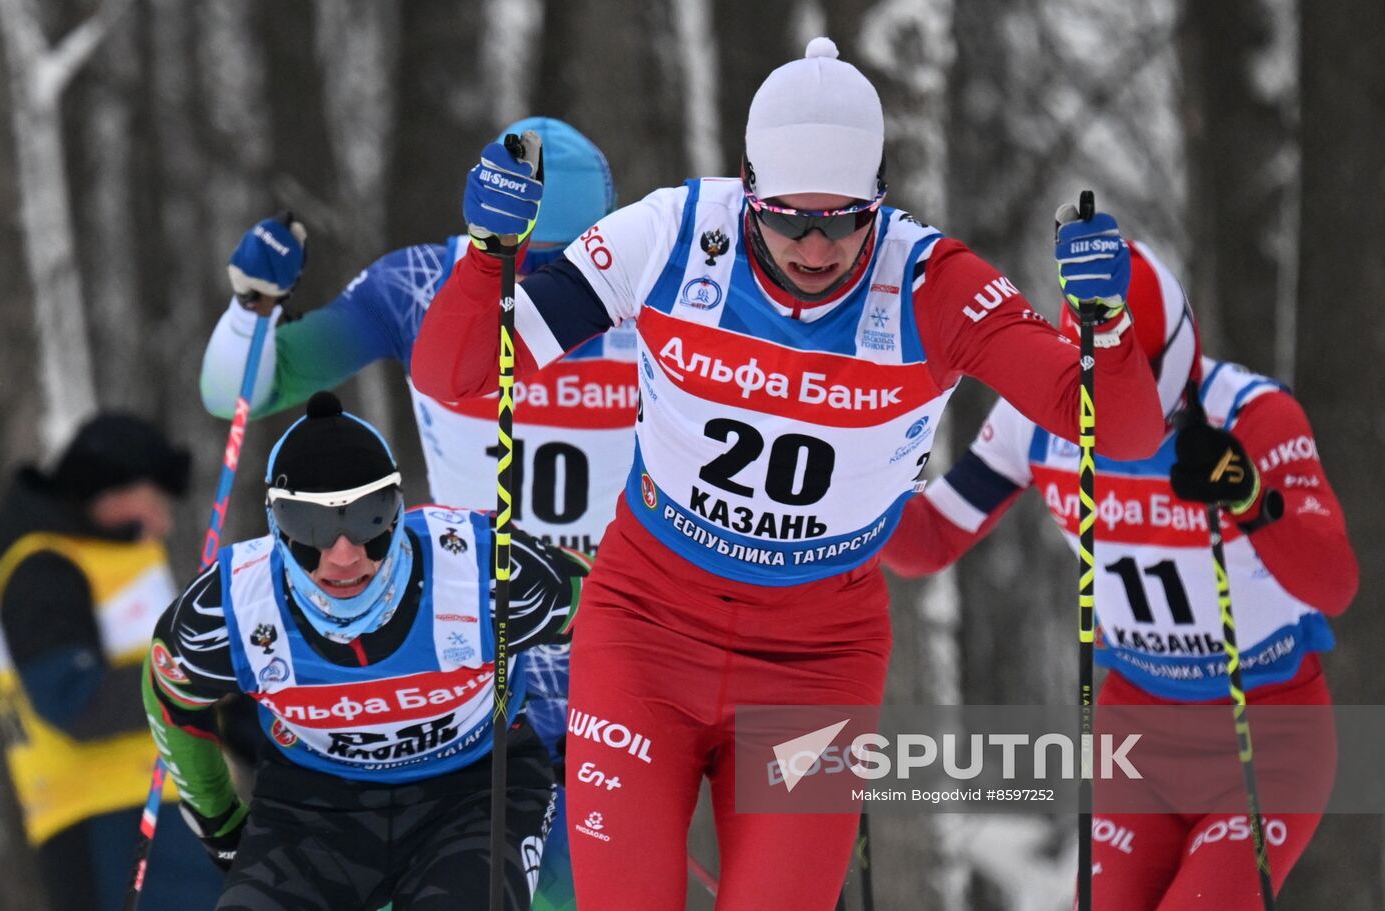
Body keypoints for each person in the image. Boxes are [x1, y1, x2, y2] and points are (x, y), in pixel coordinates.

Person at [410, 37, 1165, 910]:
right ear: (747, 188)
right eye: (788, 218)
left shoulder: (932, 284)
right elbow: (456, 373)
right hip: (646, 629)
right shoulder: (671, 236)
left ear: (880, 199)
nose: (815, 247)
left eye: (844, 219)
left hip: (817, 660)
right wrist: (486, 256)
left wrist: (1103, 325)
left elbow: (1123, 431)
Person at [199, 116, 623, 910]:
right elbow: (240, 394)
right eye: (528, 260)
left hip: (612, 637)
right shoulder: (426, 284)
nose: (548, 287)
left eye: (572, 262)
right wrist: (251, 308)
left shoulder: (640, 286)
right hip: (473, 651)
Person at [882, 230, 1358, 908]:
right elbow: (926, 541)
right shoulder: (1039, 419)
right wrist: (854, 488)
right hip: (1137, 734)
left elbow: (1333, 584)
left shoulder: (1252, 415)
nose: (1142, 434)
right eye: (1115, 416)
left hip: (1267, 736)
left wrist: (1252, 498)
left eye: (1162, 408)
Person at [144, 391, 591, 910]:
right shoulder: (234, 607)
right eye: (310, 526)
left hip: (476, 795)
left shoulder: (480, 569)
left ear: (397, 508)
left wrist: (596, 745)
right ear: (275, 524)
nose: (343, 553)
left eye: (368, 518)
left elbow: (614, 612)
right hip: (311, 814)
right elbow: (171, 699)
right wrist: (221, 829)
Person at [0, 413, 223, 910]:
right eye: (155, 503)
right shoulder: (41, 569)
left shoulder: (124, 559)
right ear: (111, 491)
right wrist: (200, 674)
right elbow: (74, 701)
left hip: (172, 808)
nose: (163, 523)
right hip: (103, 821)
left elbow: (206, 686)